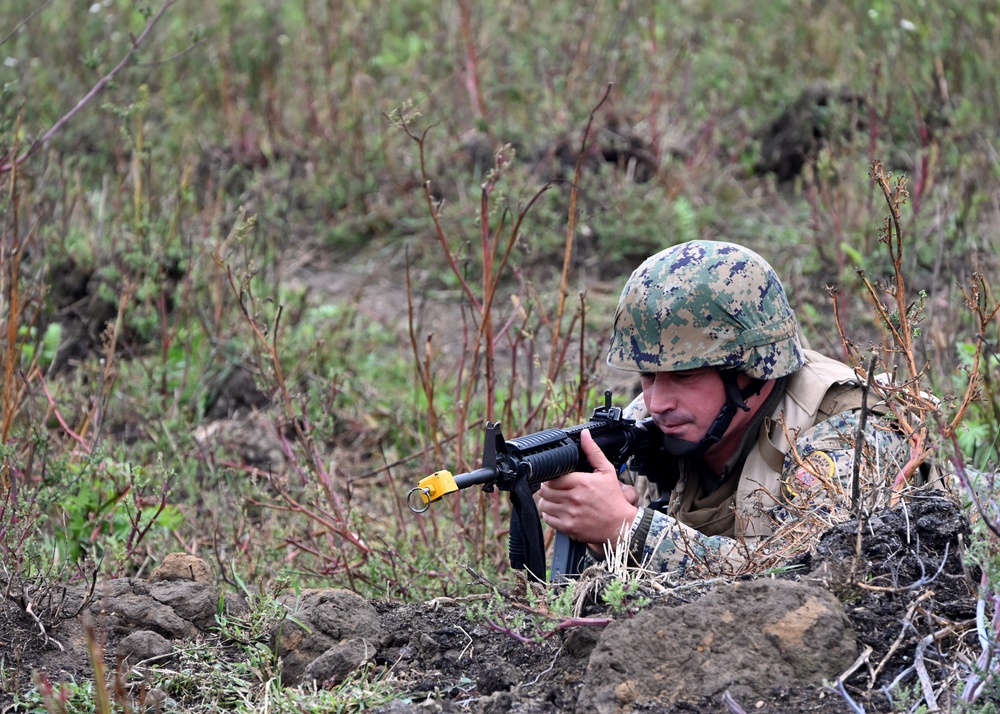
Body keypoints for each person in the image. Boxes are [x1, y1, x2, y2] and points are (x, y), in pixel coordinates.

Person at [537, 240, 931, 575]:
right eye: (649, 376)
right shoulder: (648, 426)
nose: (657, 403)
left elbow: (810, 579)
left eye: (685, 376)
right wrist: (601, 539)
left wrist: (632, 531)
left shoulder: (846, 432)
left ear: (753, 372)